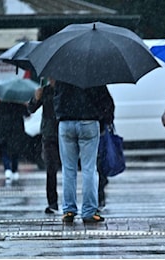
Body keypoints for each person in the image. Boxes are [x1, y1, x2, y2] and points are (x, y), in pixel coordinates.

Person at [54, 80, 114, 223]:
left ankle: (68, 210)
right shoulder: (94, 76)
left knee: (68, 169)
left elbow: (56, 101)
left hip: (66, 122)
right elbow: (106, 102)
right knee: (89, 169)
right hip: (89, 122)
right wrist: (104, 118)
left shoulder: (61, 75)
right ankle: (88, 211)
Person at [28, 78, 61, 214]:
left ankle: (71, 204)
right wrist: (36, 98)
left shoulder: (65, 88)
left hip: (64, 133)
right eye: (49, 77)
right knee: (51, 168)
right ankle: (52, 202)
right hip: (48, 135)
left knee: (70, 169)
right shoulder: (45, 91)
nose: (51, 79)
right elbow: (31, 109)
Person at [0, 100, 30, 183]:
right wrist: (25, 106)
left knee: (4, 150)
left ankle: (7, 169)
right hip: (16, 130)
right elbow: (27, 114)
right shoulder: (18, 102)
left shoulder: (2, 101)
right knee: (15, 151)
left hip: (3, 129)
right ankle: (14, 170)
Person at [96, 89, 115, 211]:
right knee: (96, 166)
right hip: (98, 128)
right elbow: (110, 105)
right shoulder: (99, 86)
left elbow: (109, 106)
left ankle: (99, 194)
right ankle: (99, 194)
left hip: (98, 129)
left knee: (96, 165)